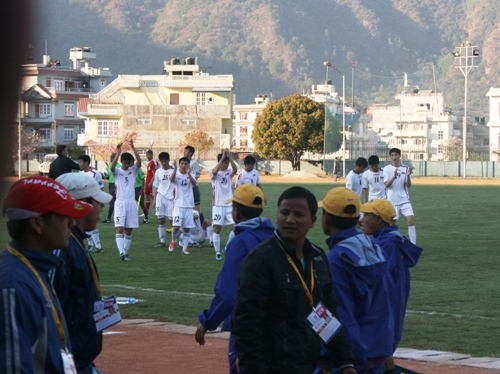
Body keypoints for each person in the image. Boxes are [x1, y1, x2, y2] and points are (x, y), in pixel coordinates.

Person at [232, 186, 356, 374]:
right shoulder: (260, 260)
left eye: (298, 214)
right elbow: (247, 327)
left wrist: (345, 361)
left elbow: (326, 313)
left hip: (305, 364)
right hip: (270, 367)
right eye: (285, 213)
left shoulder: (318, 258)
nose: (290, 220)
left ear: (313, 221)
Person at [0, 176, 93, 373]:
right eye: (63, 217)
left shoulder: (35, 268)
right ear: (37, 223)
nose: (72, 224)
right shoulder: (13, 284)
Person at [195, 184, 274, 373]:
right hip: (279, 327)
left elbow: (228, 293)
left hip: (248, 328)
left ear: (236, 212)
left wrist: (207, 322)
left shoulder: (240, 242)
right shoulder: (276, 237)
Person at [318, 187, 393, 374]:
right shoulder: (375, 247)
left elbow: (341, 312)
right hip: (377, 351)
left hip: (350, 360)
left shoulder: (336, 259)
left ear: (326, 217)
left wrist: (345, 361)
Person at [53, 173, 113, 374]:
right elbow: (51, 309)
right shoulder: (63, 248)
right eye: (97, 202)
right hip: (70, 363)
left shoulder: (74, 243)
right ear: (82, 205)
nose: (101, 208)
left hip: (81, 361)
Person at [359, 199, 422, 372]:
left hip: (385, 313)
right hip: (392, 310)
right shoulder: (394, 239)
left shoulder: (386, 244)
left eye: (366, 216)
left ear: (379, 220)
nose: (362, 220)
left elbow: (380, 280)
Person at [111, 140, 142, 261]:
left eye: (129, 163)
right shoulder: (117, 172)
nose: (127, 165)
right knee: (119, 228)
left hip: (131, 202)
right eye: (125, 162)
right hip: (120, 202)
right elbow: (112, 167)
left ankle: (124, 252)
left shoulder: (132, 171)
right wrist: (118, 153)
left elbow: (139, 162)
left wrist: (133, 147)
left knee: (129, 230)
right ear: (121, 162)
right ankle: (121, 252)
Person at [383, 148, 417, 244]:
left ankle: (413, 244)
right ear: (390, 157)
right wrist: (394, 176)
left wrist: (408, 176)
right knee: (391, 224)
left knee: (410, 222)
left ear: (399, 156)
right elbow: (386, 185)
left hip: (404, 199)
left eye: (396, 155)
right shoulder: (386, 169)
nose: (394, 157)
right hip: (392, 201)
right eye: (392, 155)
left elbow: (408, 185)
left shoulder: (406, 168)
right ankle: (391, 243)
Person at [210, 150, 237, 260]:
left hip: (229, 205)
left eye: (227, 163)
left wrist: (229, 158)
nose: (226, 165)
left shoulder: (229, 172)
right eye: (224, 163)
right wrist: (222, 159)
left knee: (236, 228)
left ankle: (226, 247)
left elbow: (235, 169)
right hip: (218, 205)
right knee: (217, 228)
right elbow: (215, 172)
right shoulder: (213, 173)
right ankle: (217, 253)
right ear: (220, 162)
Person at [168, 157, 197, 254]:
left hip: (188, 206)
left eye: (186, 164)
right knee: (176, 227)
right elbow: (171, 180)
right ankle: (173, 241)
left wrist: (189, 174)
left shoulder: (191, 175)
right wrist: (175, 169)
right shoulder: (175, 174)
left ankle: (185, 248)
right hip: (178, 205)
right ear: (179, 164)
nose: (184, 166)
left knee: (187, 228)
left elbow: (194, 184)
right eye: (182, 164)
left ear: (189, 165)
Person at [78, 154, 105, 253]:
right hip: (83, 202)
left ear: (86, 163)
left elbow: (101, 187)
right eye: (79, 162)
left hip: (93, 201)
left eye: (81, 162)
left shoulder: (95, 173)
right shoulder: (80, 174)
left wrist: (100, 203)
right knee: (85, 224)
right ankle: (91, 245)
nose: (79, 164)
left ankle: (98, 247)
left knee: (92, 224)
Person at [152, 152, 175, 248]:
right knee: (161, 219)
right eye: (162, 161)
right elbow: (155, 186)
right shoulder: (158, 172)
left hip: (170, 198)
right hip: (160, 197)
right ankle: (162, 241)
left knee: (172, 221)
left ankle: (174, 241)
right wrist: (154, 199)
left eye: (165, 161)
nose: (164, 163)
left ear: (168, 160)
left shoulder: (174, 171)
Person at [184, 145, 205, 223]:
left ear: (190, 153)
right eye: (184, 150)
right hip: (185, 189)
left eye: (186, 151)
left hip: (193, 188)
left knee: (197, 208)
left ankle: (203, 225)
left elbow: (197, 175)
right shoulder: (183, 162)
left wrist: (189, 176)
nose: (184, 152)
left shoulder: (194, 163)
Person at [102, 152, 119, 223]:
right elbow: (108, 176)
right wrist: (104, 175)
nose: (111, 158)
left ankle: (109, 218)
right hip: (111, 184)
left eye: (113, 157)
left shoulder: (118, 166)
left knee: (113, 201)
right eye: (111, 157)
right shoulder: (109, 166)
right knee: (113, 201)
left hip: (115, 185)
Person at [145, 149, 159, 214]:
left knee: (153, 197)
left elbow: (156, 172)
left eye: (149, 155)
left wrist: (151, 181)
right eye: (146, 155)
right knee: (147, 196)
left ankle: (158, 210)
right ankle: (146, 212)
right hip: (147, 182)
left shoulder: (154, 162)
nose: (147, 156)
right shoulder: (149, 163)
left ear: (152, 155)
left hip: (152, 182)